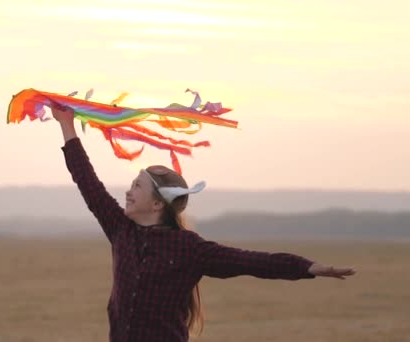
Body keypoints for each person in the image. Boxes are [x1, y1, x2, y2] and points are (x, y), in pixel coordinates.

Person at [52, 104, 356, 342]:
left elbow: (249, 262)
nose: (128, 192)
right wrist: (67, 125)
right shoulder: (121, 230)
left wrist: (305, 267)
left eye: (137, 187)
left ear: (158, 204)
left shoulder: (188, 248)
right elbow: (87, 182)